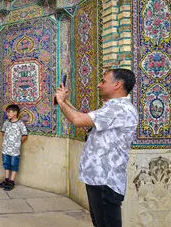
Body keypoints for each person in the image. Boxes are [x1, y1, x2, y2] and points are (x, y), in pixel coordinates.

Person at [54, 68, 138, 227]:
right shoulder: (113, 107)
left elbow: (78, 120)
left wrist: (60, 101)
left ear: (117, 85)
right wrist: (64, 101)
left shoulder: (119, 109)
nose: (99, 85)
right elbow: (84, 118)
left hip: (106, 181)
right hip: (99, 179)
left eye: (103, 81)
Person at [0, 104, 28, 191]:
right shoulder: (6, 122)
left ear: (15, 113)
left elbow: (25, 135)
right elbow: (3, 132)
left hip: (15, 150)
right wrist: (6, 142)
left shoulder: (20, 124)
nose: (7, 114)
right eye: (7, 112)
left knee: (14, 165)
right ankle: (6, 180)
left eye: (9, 112)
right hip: (5, 149)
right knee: (6, 164)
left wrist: (18, 143)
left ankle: (12, 181)